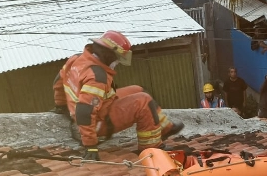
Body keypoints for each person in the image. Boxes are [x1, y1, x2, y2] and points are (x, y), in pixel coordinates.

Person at [52, 30, 184, 159]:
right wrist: (90, 145)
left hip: (101, 106)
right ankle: (151, 148)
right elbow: (85, 111)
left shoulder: (77, 59)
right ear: (108, 54)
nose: (118, 61)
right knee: (144, 101)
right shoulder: (97, 77)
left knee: (139, 90)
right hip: (98, 122)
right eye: (117, 57)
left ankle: (165, 128)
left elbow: (59, 80)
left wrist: (61, 105)